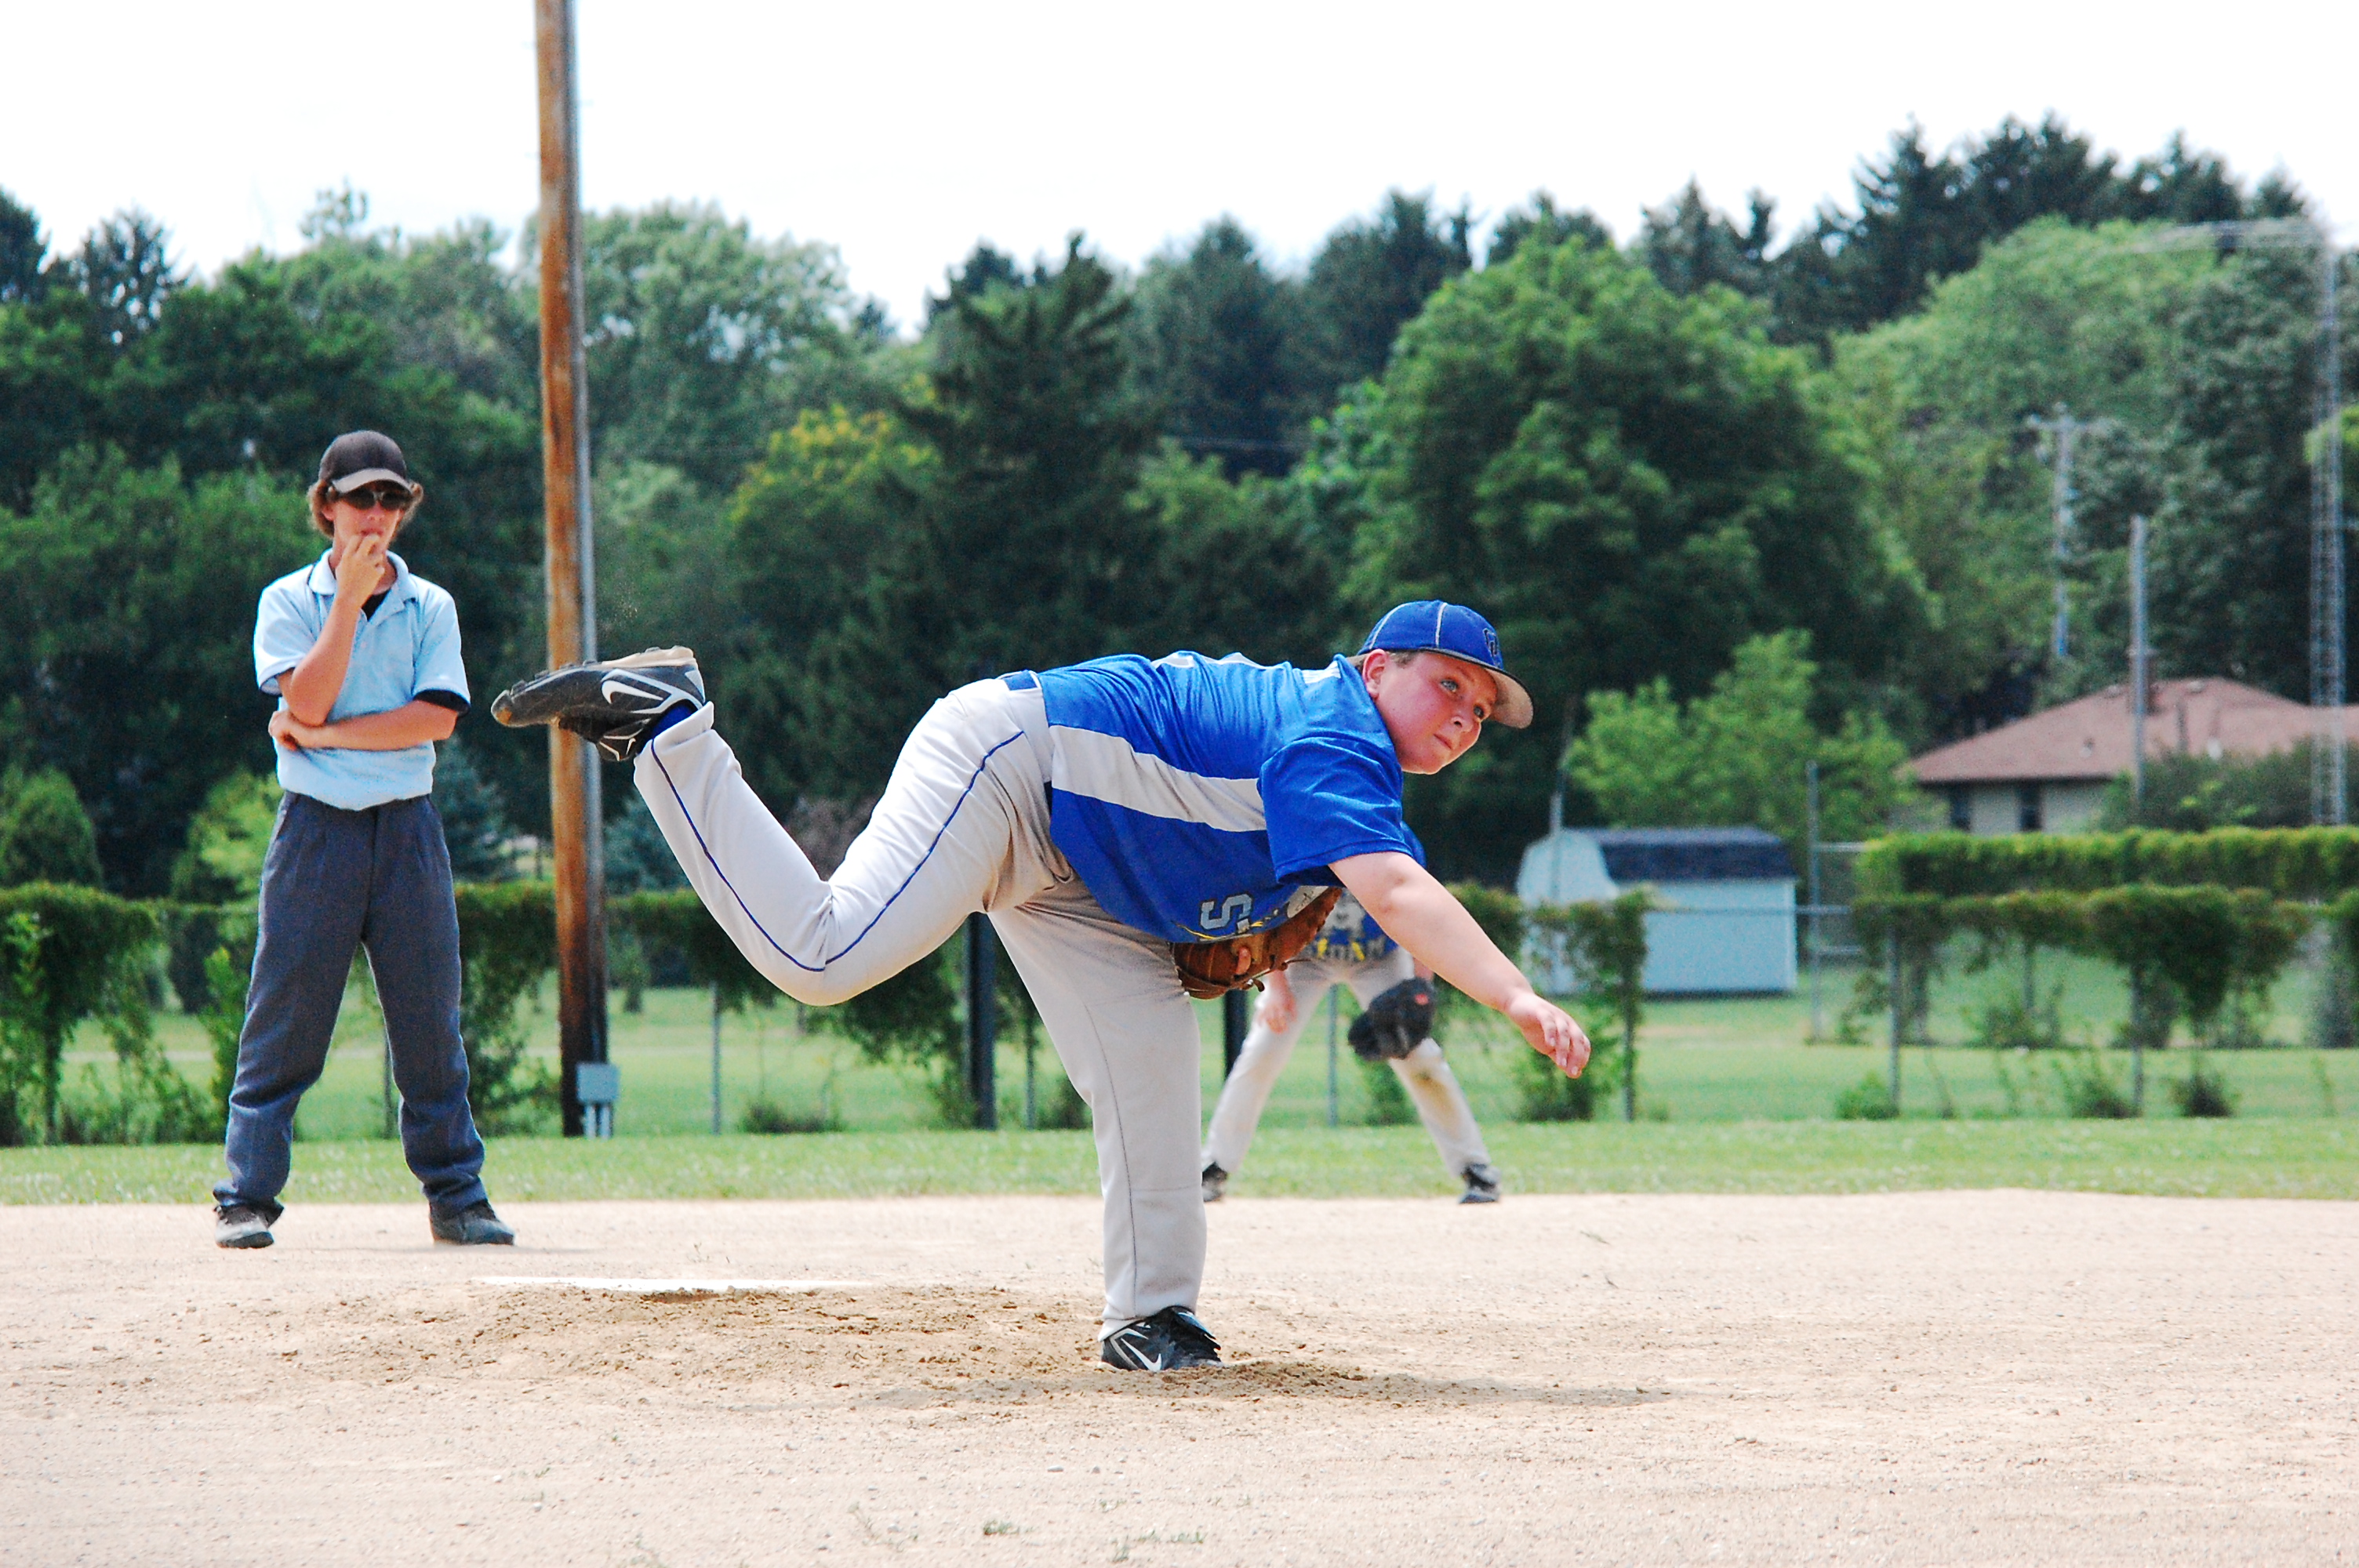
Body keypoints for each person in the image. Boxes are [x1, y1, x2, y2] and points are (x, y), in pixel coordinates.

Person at [493, 600, 1587, 1368]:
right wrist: (1517, 996)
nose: (1462, 716)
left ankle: (1152, 1317)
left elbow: (1309, 875)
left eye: (1480, 711)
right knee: (823, 955)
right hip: (1014, 766)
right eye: (1448, 683)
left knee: (1151, 1066)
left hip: (1086, 872)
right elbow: (1397, 891)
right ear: (1375, 666)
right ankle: (670, 728)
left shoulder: (1343, 752)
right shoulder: (1334, 731)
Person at [212, 431, 514, 1251]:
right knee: (286, 1015)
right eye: (359, 498)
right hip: (316, 829)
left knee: (429, 1022)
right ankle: (246, 1196)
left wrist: (322, 734)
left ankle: (458, 1198)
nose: (375, 514)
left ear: (405, 509)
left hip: (408, 828)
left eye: (391, 498)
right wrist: (344, 601)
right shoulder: (288, 601)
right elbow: (304, 697)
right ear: (326, 506)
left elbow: (434, 720)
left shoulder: (431, 605)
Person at [1201, 890, 1500, 1205]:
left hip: (1379, 959)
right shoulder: (1307, 854)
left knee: (1419, 1058)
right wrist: (1276, 987)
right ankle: (1214, 1166)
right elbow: (1272, 907)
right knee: (1262, 1053)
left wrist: (1421, 985)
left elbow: (1420, 913)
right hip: (1303, 958)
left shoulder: (1393, 854)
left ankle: (1475, 1167)